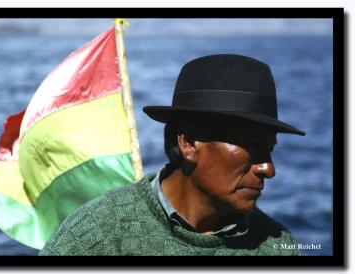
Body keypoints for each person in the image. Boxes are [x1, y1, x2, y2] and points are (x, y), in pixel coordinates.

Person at [39, 54, 305, 256]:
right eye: (251, 147)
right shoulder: (97, 235)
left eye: (269, 150)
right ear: (189, 142)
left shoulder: (277, 246)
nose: (268, 169)